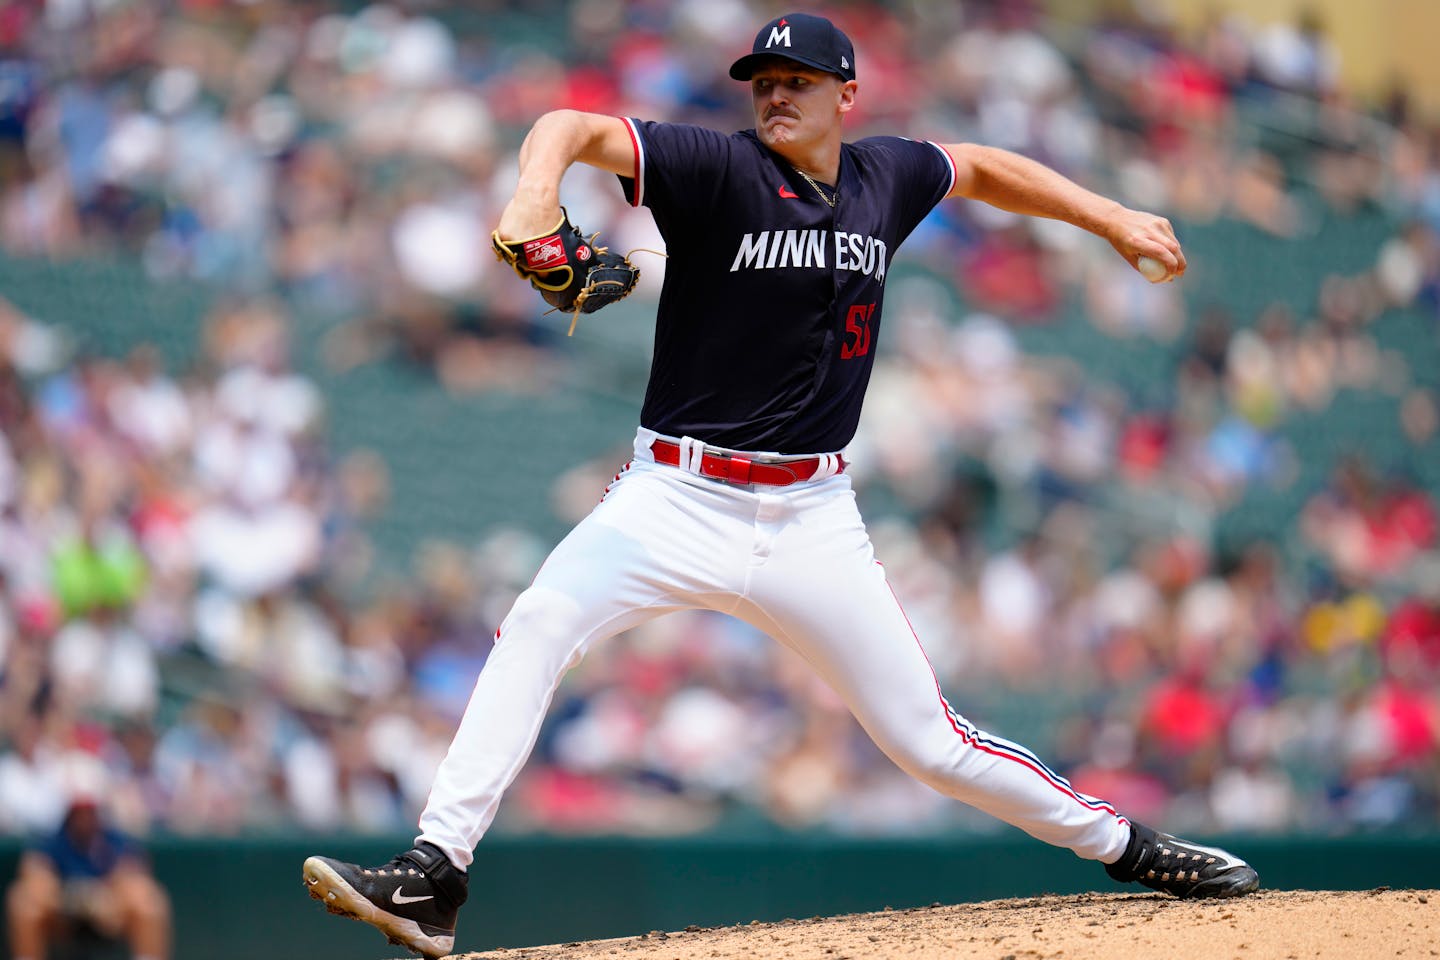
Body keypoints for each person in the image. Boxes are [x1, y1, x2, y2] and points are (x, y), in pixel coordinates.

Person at [302, 13, 1259, 958]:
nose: (775, 94)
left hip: (811, 516)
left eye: (796, 80)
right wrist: (531, 191)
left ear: (846, 95)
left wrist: (1110, 215)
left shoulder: (887, 176)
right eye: (763, 80)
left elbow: (977, 165)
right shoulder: (720, 170)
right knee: (538, 625)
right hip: (673, 495)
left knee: (931, 745)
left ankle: (1130, 847)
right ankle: (436, 872)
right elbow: (574, 126)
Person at [6, 773, 171, 960]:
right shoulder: (53, 840)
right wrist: (68, 899)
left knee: (148, 900)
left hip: (109, 914)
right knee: (24, 902)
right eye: (78, 812)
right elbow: (34, 871)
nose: (84, 818)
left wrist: (105, 898)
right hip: (61, 914)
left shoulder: (114, 840)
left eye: (89, 811)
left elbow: (135, 870)